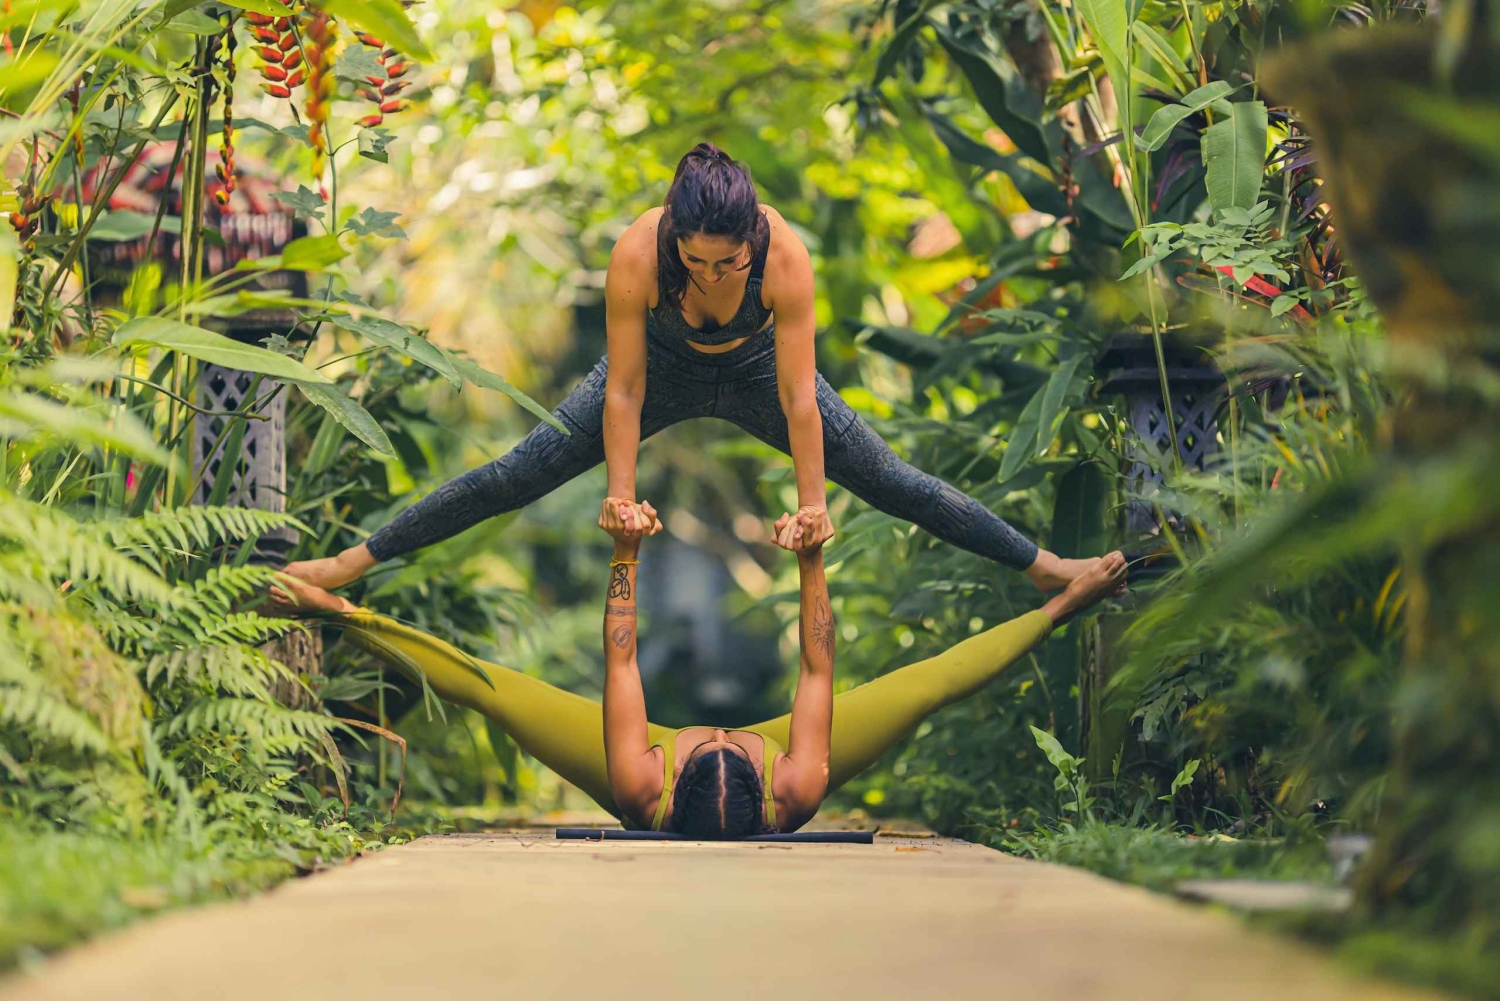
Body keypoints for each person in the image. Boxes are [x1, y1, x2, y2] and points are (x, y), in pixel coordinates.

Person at [281, 142, 1104, 597]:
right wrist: (618, 490)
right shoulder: (640, 250)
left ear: (752, 238)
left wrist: (812, 506)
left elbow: (798, 397)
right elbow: (628, 388)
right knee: (514, 471)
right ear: (675, 237)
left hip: (756, 375)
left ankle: (1046, 569)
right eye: (696, 260)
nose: (711, 274)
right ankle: (344, 567)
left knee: (891, 477)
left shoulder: (786, 257)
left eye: (727, 261)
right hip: (663, 370)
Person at [269, 504, 1129, 837]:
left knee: (491, 689)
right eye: (731, 741)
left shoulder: (639, 776)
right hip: (750, 770)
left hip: (641, 758)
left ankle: (331, 608)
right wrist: (811, 562)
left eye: (716, 742)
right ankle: (1066, 599)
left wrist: (624, 556)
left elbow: (620, 655)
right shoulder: (799, 776)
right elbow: (820, 671)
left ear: (673, 779)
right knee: (930, 685)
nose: (722, 732)